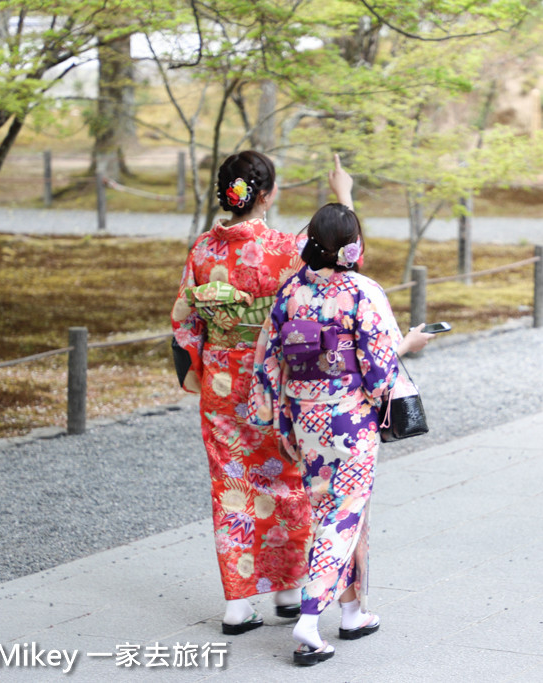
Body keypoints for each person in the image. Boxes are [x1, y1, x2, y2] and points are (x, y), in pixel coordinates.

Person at [250, 155, 433, 666]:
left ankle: (353, 613)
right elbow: (377, 361)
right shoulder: (363, 292)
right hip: (350, 422)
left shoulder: (291, 294)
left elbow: (268, 362)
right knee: (343, 514)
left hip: (305, 423)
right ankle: (311, 621)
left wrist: (276, 420)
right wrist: (409, 344)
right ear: (354, 248)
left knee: (332, 511)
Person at [171, 150, 311, 635]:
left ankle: (236, 604)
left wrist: (199, 368)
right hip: (274, 383)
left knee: (232, 488)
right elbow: (307, 314)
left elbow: (185, 321)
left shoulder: (203, 250)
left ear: (227, 194)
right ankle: (290, 592)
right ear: (267, 195)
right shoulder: (286, 248)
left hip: (222, 385)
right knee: (286, 479)